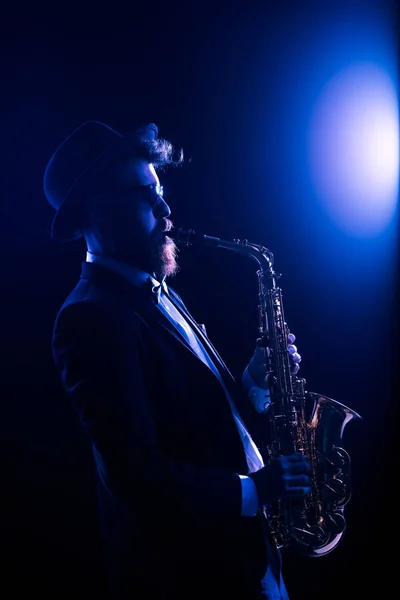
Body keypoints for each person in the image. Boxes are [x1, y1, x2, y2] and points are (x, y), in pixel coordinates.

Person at [44, 120, 310, 600]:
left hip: (247, 558)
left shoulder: (156, 289)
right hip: (195, 577)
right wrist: (257, 492)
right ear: (93, 213)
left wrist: (253, 379)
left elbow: (197, 422)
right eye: (144, 194)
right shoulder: (88, 319)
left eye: (161, 191)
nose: (165, 208)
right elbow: (138, 476)